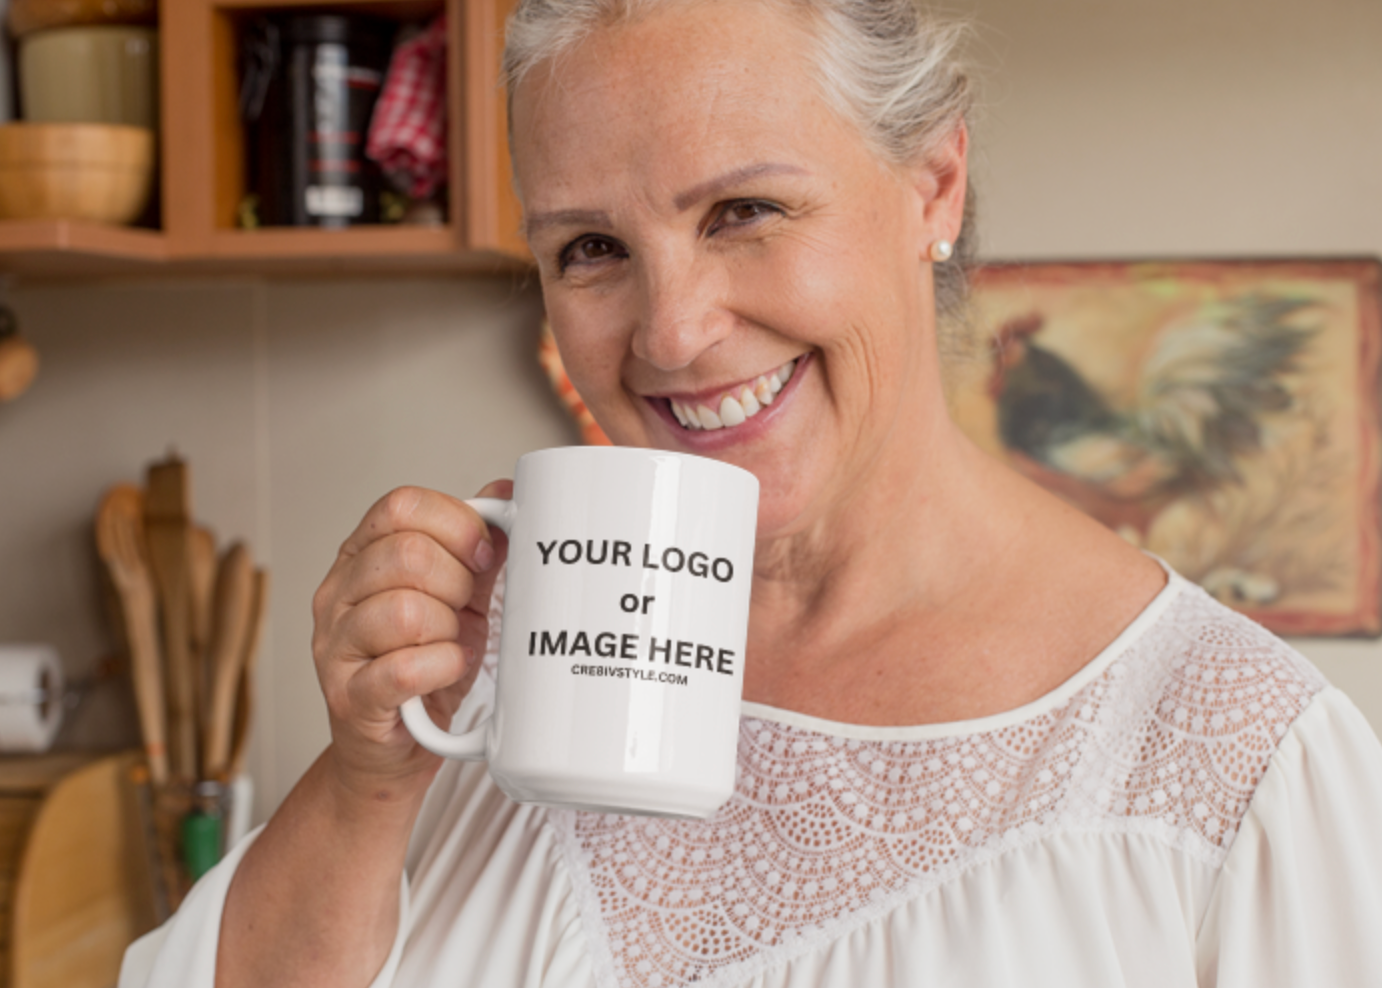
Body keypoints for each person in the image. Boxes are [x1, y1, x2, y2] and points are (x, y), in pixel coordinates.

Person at [122, 1, 1382, 985]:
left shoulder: (1235, 763)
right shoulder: (497, 684)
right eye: (592, 249)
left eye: (744, 211)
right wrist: (365, 775)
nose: (670, 334)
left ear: (931, 185)